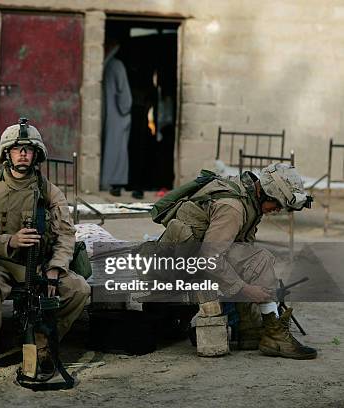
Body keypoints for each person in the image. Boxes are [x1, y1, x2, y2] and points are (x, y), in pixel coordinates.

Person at [0, 119, 91, 378]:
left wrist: (55, 267)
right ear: (6, 153)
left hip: (40, 264)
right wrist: (10, 241)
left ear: (36, 154)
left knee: (78, 289)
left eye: (28, 149)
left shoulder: (49, 191)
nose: (22, 154)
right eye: (17, 149)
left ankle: (42, 346)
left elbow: (66, 234)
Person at [160, 163, 316, 359]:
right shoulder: (233, 208)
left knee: (255, 260)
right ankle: (272, 333)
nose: (276, 210)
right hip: (175, 270)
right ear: (266, 193)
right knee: (260, 260)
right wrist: (244, 289)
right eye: (276, 205)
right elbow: (210, 257)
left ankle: (252, 331)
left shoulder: (250, 200)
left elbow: (242, 250)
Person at [100, 35, 132, 197]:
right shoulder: (118, 65)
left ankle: (107, 180)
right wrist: (126, 110)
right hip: (118, 116)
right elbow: (125, 98)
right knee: (117, 150)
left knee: (109, 148)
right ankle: (115, 181)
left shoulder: (106, 66)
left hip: (108, 114)